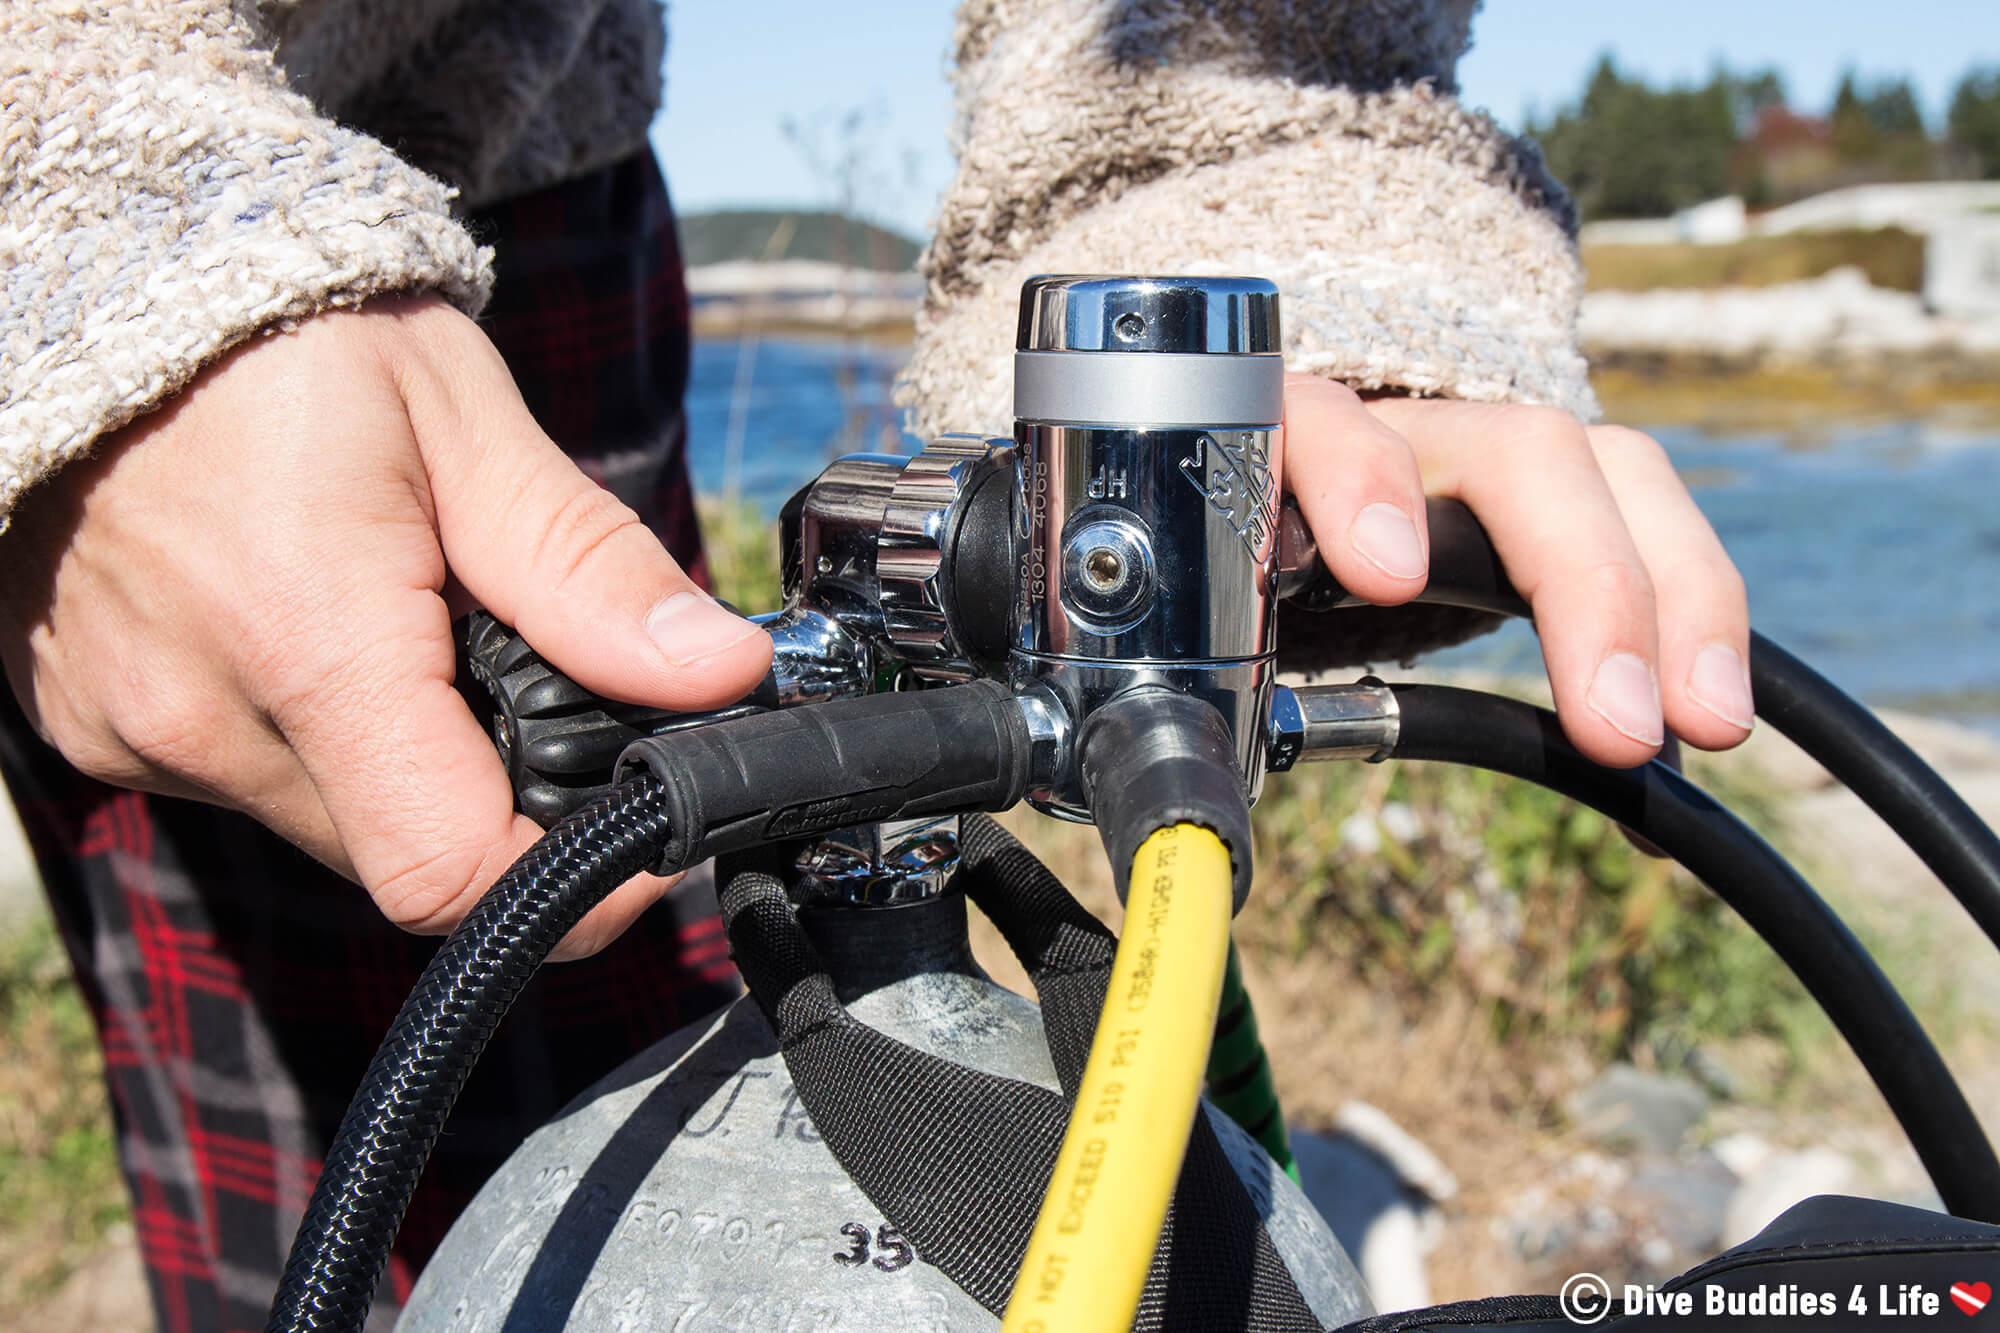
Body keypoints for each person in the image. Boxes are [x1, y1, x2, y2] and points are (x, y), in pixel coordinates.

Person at [0, 2, 1756, 1328]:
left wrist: (1268, 238)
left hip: (502, 156)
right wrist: (93, 250)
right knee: (348, 1206)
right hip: (213, 296)